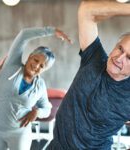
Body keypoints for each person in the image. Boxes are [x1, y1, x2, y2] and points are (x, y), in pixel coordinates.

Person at [47, 1, 130, 150]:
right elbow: (86, 9)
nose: (119, 58)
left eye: (129, 58)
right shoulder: (94, 58)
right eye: (120, 48)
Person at [0, 27, 71, 150]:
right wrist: (52, 31)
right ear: (30, 56)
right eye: (36, 60)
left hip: (19, 133)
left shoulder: (40, 86)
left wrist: (37, 112)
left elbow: (47, 108)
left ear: (44, 70)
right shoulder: (12, 65)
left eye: (42, 66)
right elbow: (24, 35)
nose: (36, 66)